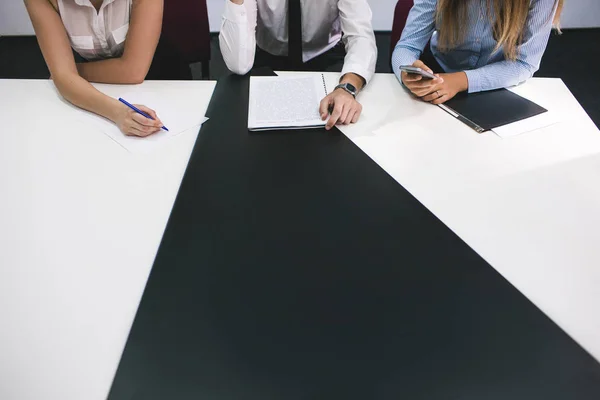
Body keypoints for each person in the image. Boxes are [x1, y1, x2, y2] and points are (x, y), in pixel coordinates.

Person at [24, 0, 175, 137]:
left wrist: (71, 73)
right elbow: (63, 76)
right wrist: (119, 112)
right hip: (96, 88)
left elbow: (134, 71)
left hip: (164, 78)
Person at [219, 0, 378, 130]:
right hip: (268, 56)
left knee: (340, 127)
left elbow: (361, 37)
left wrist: (347, 88)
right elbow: (238, 65)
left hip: (326, 56)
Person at [391, 0, 563, 105]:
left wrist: (460, 81)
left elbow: (525, 63)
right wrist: (405, 72)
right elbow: (407, 46)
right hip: (439, 70)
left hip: (498, 81)